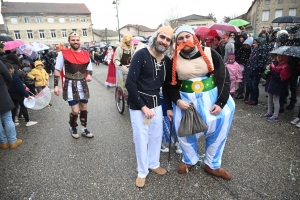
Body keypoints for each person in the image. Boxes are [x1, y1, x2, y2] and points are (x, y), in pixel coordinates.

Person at [162, 25, 234, 180]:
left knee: (218, 129)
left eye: (187, 37)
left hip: (212, 99)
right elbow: (170, 84)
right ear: (176, 41)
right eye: (180, 38)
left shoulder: (210, 52)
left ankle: (212, 164)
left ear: (194, 37)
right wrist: (177, 100)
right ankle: (189, 160)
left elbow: (223, 77)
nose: (184, 40)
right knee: (186, 132)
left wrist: (221, 102)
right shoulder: (173, 60)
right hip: (186, 102)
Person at [125, 26, 173, 188]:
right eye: (162, 37)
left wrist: (169, 108)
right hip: (139, 104)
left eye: (168, 40)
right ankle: (142, 171)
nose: (164, 41)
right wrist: (143, 107)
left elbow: (166, 86)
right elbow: (130, 83)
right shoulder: (141, 54)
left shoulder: (166, 61)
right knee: (141, 138)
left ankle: (153, 163)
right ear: (156, 37)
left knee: (156, 136)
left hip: (157, 104)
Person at [54, 32, 94, 139]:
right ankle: (73, 126)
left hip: (82, 84)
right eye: (73, 40)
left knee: (84, 108)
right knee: (75, 111)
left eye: (77, 40)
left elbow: (89, 69)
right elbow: (57, 70)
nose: (75, 42)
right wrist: (56, 86)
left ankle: (84, 129)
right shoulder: (63, 54)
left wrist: (89, 75)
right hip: (70, 84)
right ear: (69, 41)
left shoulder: (86, 54)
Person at [6, 63, 38, 127]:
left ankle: (13, 122)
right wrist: (27, 95)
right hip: (18, 95)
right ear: (10, 69)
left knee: (13, 108)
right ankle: (27, 121)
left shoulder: (5, 78)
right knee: (23, 107)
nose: (14, 70)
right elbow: (20, 88)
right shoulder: (15, 77)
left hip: (10, 95)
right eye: (12, 68)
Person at [0, 60, 22, 149]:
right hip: (1, 93)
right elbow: (8, 76)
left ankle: (3, 142)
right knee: (7, 118)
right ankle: (13, 141)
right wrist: (5, 86)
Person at [261, 54, 291, 122]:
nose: (277, 57)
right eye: (277, 56)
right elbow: (268, 74)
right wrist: (267, 71)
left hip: (277, 86)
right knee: (269, 99)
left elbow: (281, 78)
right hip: (271, 84)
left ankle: (275, 115)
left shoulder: (285, 66)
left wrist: (271, 72)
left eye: (279, 56)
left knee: (276, 100)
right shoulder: (273, 63)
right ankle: (269, 112)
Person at [245, 37, 270, 105]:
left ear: (259, 43)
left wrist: (256, 67)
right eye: (253, 43)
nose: (253, 44)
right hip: (251, 70)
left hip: (256, 71)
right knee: (250, 85)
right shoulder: (254, 50)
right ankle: (251, 98)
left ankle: (255, 99)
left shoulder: (263, 50)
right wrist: (248, 67)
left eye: (255, 43)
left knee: (254, 85)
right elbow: (250, 60)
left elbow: (262, 62)